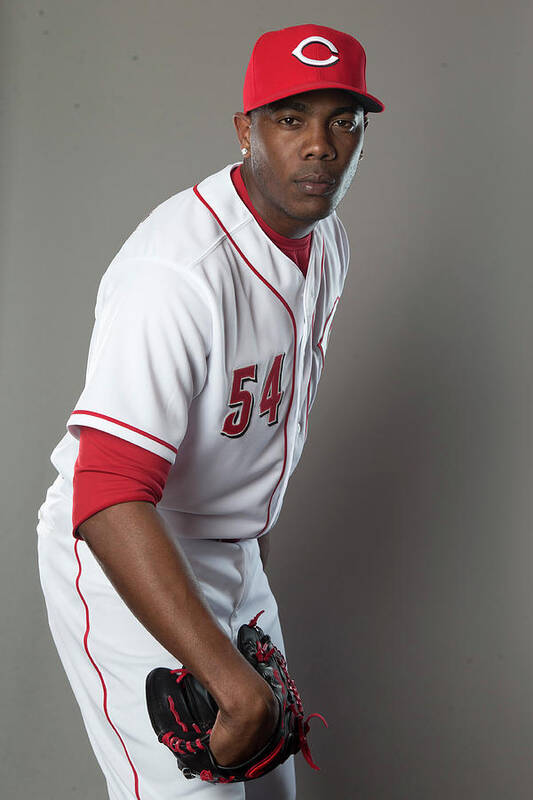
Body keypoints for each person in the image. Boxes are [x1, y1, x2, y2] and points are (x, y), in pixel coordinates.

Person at [36, 22, 384, 800]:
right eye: (291, 118)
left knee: (269, 789)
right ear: (245, 130)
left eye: (342, 120)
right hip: (127, 550)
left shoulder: (325, 244)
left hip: (228, 550)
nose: (320, 145)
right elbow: (108, 490)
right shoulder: (178, 273)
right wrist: (230, 681)